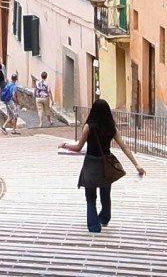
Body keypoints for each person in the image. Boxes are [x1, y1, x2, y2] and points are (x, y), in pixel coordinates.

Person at [58, 98, 143, 233]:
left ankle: (93, 226)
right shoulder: (111, 128)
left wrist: (65, 145)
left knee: (90, 197)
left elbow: (79, 147)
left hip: (91, 164)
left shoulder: (88, 127)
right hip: (105, 166)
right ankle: (104, 217)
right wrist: (136, 165)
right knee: (105, 193)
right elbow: (124, 147)